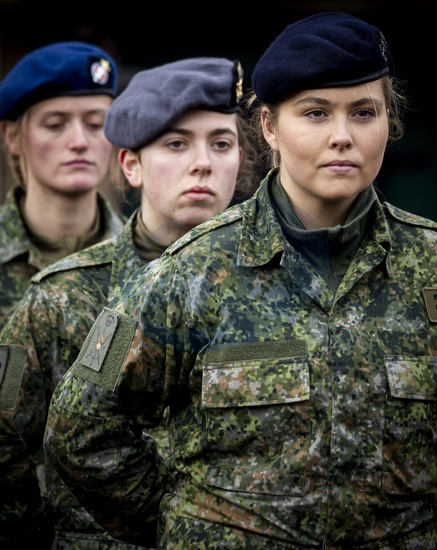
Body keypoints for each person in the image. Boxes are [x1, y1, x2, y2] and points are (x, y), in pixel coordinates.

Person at [44, 12, 437, 548]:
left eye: (363, 112)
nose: (342, 136)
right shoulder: (191, 270)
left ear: (388, 122)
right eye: (315, 113)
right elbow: (80, 428)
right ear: (269, 129)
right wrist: (185, 525)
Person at [0, 57, 260, 549]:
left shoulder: (279, 289)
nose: (203, 162)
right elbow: (3, 434)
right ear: (131, 165)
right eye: (176, 143)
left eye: (221, 143)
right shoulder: (62, 295)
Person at [0, 41, 125, 333]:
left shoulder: (149, 261)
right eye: (55, 125)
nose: (79, 142)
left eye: (96, 124)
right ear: (12, 137)